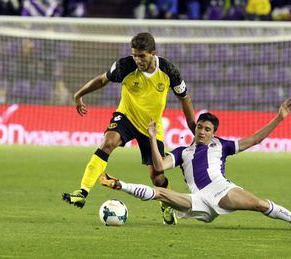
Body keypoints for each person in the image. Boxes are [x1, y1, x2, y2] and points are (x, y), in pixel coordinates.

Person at [99, 99, 291, 231]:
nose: (202, 132)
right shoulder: (182, 153)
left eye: (207, 129)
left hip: (222, 191)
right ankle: (119, 184)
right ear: (195, 128)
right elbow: (158, 165)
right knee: (161, 193)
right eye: (200, 128)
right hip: (197, 200)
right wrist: (151, 137)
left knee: (260, 204)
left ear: (213, 132)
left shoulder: (222, 146)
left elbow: (254, 139)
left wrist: (279, 118)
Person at [62, 32, 196, 225]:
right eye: (134, 55)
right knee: (108, 143)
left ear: (152, 53)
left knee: (157, 177)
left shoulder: (168, 71)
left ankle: (166, 204)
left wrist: (194, 131)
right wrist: (79, 94)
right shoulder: (124, 66)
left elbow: (185, 99)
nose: (137, 60)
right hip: (126, 116)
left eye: (142, 56)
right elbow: (102, 80)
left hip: (151, 127)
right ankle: (82, 192)